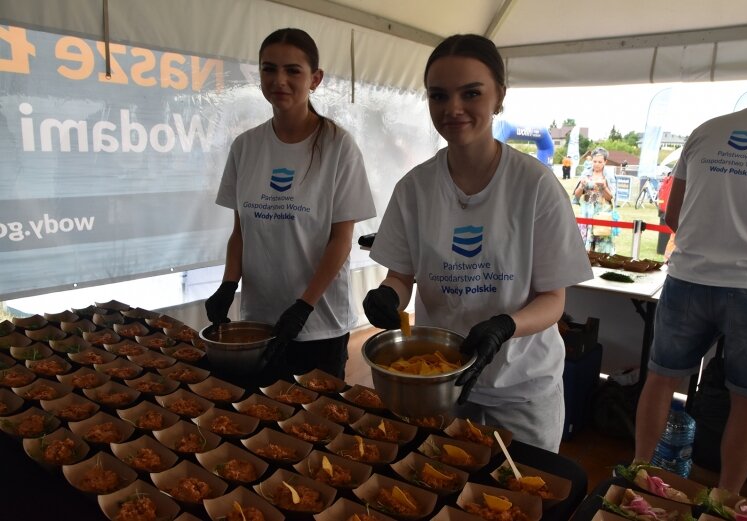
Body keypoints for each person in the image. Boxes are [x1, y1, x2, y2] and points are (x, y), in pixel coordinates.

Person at [361, 34, 593, 452]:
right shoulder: (415, 188)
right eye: (439, 95)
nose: (453, 109)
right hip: (439, 385)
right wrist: (386, 297)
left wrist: (506, 326)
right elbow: (401, 276)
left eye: (471, 93)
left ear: (499, 96)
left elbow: (553, 298)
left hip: (522, 387)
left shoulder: (534, 186)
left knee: (522, 495)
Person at [634, 75, 747, 494]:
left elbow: (672, 213)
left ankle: (637, 472)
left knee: (661, 380)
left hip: (688, 276)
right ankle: (725, 498)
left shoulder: (707, 129)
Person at [205, 28, 376, 386]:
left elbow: (341, 240)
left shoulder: (338, 147)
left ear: (315, 79)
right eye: (269, 69)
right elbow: (241, 232)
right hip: (259, 322)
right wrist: (227, 284)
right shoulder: (245, 147)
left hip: (319, 325)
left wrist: (304, 305)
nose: (279, 80)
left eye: (292, 71)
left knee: (316, 428)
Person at [573, 148, 616, 253]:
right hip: (586, 214)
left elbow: (610, 197)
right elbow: (577, 195)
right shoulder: (585, 174)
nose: (596, 164)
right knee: (584, 248)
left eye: (600, 162)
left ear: (605, 162)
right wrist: (581, 186)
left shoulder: (609, 176)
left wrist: (604, 187)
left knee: (601, 245)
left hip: (602, 214)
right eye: (594, 161)